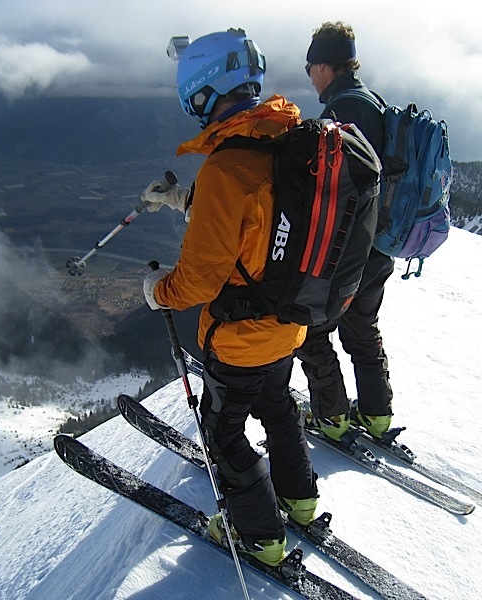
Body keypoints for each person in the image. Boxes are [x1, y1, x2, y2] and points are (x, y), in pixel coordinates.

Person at [141, 28, 318, 567]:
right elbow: (257, 223)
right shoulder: (286, 139)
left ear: (203, 92)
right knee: (278, 406)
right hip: (290, 322)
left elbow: (198, 279)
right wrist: (181, 199)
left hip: (240, 338)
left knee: (223, 433)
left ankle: (260, 538)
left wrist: (157, 293)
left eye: (191, 99)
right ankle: (300, 500)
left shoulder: (225, 168)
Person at [297, 21, 395, 442]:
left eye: (310, 67)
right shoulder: (371, 100)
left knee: (312, 329)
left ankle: (333, 417)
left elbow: (331, 190)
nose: (310, 76)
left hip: (351, 252)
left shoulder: (341, 112)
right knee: (362, 328)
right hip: (382, 246)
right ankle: (376, 415)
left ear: (324, 65)